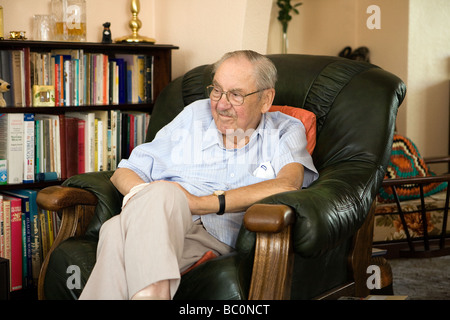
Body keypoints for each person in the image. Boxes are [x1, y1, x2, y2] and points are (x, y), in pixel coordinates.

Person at [79, 50, 319, 300]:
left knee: (116, 231)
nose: (222, 104)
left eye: (236, 95)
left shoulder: (284, 130)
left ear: (265, 99)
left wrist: (201, 203)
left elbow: (288, 183)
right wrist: (147, 199)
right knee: (149, 202)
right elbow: (125, 172)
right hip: (159, 216)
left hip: (213, 234)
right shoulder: (195, 115)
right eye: (216, 90)